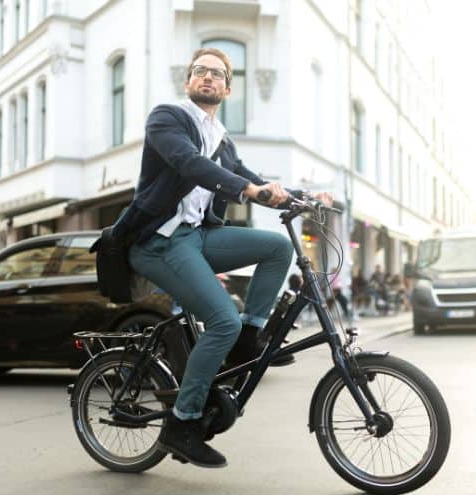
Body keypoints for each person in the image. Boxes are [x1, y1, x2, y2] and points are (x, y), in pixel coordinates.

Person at [114, 47, 332, 468]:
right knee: (221, 321)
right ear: (188, 80)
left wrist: (298, 196)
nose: (208, 78)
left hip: (197, 237)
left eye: (217, 74)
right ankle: (183, 423)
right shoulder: (167, 118)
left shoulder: (223, 139)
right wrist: (248, 191)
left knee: (278, 248)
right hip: (159, 241)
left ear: (228, 89)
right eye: (200, 71)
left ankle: (249, 339)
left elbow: (249, 177)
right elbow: (189, 164)